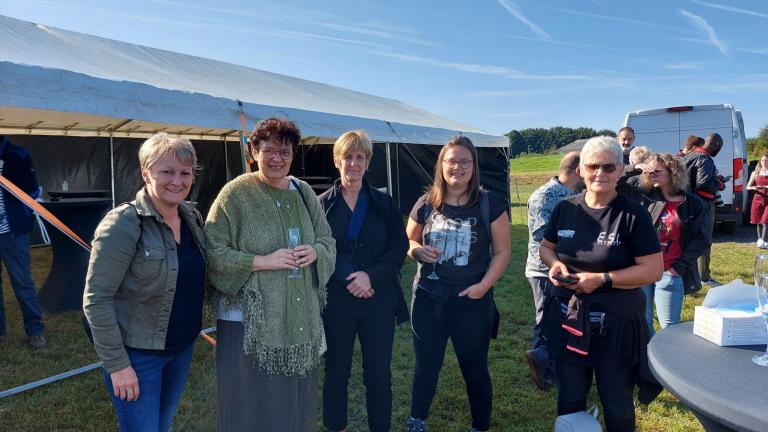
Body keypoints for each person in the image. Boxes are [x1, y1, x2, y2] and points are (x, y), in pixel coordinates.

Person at [204, 117, 335, 432]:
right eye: (270, 151)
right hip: (249, 327)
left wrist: (316, 252)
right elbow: (212, 252)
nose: (277, 159)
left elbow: (327, 239)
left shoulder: (303, 192)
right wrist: (262, 261)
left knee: (292, 404)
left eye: (285, 153)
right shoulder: (235, 194)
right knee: (250, 406)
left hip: (297, 318)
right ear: (254, 150)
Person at [82, 133, 207, 432]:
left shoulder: (191, 216)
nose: (177, 181)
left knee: (160, 426)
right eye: (167, 171)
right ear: (145, 172)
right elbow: (96, 299)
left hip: (181, 347)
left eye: (185, 173)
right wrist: (118, 365)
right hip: (138, 356)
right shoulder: (124, 223)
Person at [539, 136, 663, 431]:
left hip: (617, 323)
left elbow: (653, 270)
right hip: (570, 319)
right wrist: (555, 265)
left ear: (621, 171)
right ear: (580, 170)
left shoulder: (633, 215)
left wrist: (603, 280)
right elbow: (547, 247)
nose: (600, 174)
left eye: (609, 167)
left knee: (617, 403)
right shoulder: (566, 208)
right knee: (570, 399)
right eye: (593, 166)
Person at [405, 136, 510, 432]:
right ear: (441, 165)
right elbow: (409, 238)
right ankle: (417, 420)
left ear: (474, 166)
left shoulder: (489, 203)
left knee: (474, 367)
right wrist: (416, 250)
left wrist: (483, 287)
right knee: (426, 365)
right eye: (451, 161)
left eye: (465, 161)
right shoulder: (427, 202)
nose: (458, 167)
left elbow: (502, 252)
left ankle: (480, 425)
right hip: (428, 297)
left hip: (472, 299)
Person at [318, 130, 409, 432]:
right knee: (336, 372)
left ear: (368, 161)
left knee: (379, 374)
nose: (353, 164)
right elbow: (321, 247)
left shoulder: (384, 203)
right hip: (338, 302)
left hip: (377, 298)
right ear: (336, 160)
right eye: (348, 157)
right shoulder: (322, 205)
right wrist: (349, 277)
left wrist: (371, 275)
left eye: (360, 157)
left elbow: (399, 247)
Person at [627, 153, 710, 335]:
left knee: (670, 328)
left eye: (658, 171)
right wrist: (635, 168)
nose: (652, 174)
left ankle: (669, 362)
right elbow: (617, 184)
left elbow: (702, 239)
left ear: (673, 172)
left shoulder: (692, 203)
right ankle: (648, 361)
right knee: (643, 322)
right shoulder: (643, 197)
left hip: (670, 272)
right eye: (650, 171)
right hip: (643, 271)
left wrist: (678, 268)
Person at [525, 150, 581, 391]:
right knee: (545, 319)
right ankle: (541, 367)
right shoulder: (546, 196)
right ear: (578, 170)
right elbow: (541, 235)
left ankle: (555, 364)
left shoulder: (575, 194)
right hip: (543, 269)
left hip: (566, 268)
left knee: (560, 319)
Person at [0, 135, 45, 348]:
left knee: (22, 281)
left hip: (12, 231)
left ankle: (35, 330)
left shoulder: (17, 154)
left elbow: (33, 190)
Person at [680, 133, 723, 283]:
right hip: (703, 204)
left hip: (685, 203)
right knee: (704, 239)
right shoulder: (705, 158)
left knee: (687, 239)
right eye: (720, 148)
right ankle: (704, 276)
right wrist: (719, 184)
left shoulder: (688, 156)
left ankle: (686, 273)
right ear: (716, 144)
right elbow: (703, 184)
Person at [747, 152, 768, 249]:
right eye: (763, 160)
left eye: (766, 160)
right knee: (758, 220)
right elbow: (748, 187)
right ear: (760, 161)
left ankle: (764, 240)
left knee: (765, 220)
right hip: (758, 198)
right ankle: (760, 240)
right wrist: (755, 188)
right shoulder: (755, 173)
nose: (764, 162)